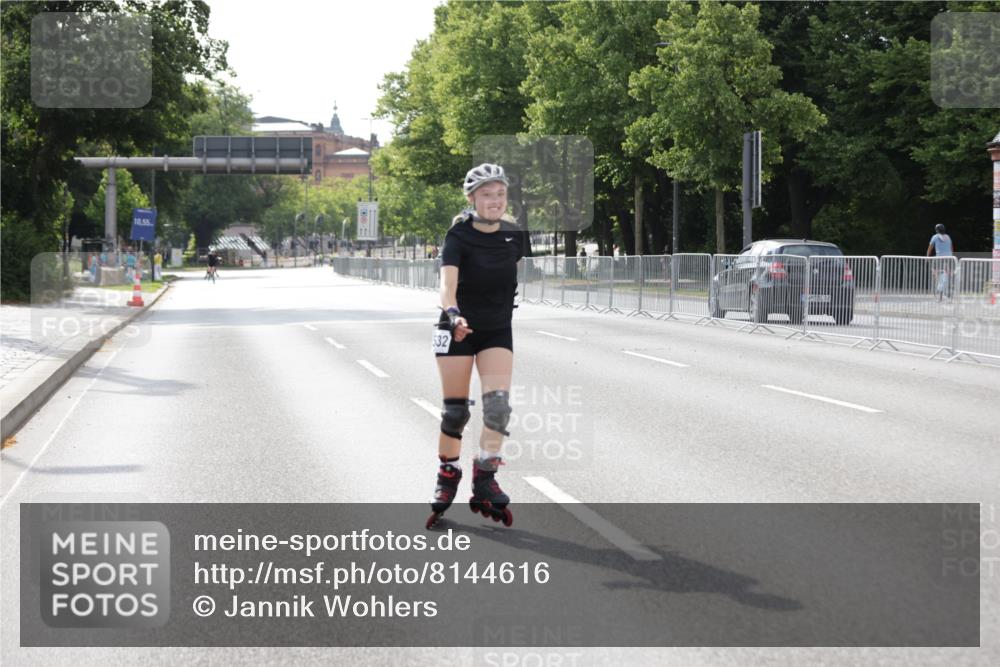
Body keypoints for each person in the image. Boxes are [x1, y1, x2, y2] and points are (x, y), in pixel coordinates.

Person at [426, 163, 531, 529]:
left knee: (498, 409)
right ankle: (447, 474)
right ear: (472, 198)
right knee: (455, 412)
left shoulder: (515, 234)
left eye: (500, 194)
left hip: (497, 329)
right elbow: (446, 286)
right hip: (457, 327)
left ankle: (484, 477)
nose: (495, 201)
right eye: (487, 195)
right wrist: (453, 314)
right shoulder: (458, 236)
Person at [927, 223, 955, 300]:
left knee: (936, 272)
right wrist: (951, 256)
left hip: (940, 258)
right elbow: (951, 248)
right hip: (949, 258)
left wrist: (927, 257)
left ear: (936, 230)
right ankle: (948, 290)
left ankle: (940, 292)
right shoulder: (948, 237)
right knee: (947, 274)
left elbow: (930, 248)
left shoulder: (935, 237)